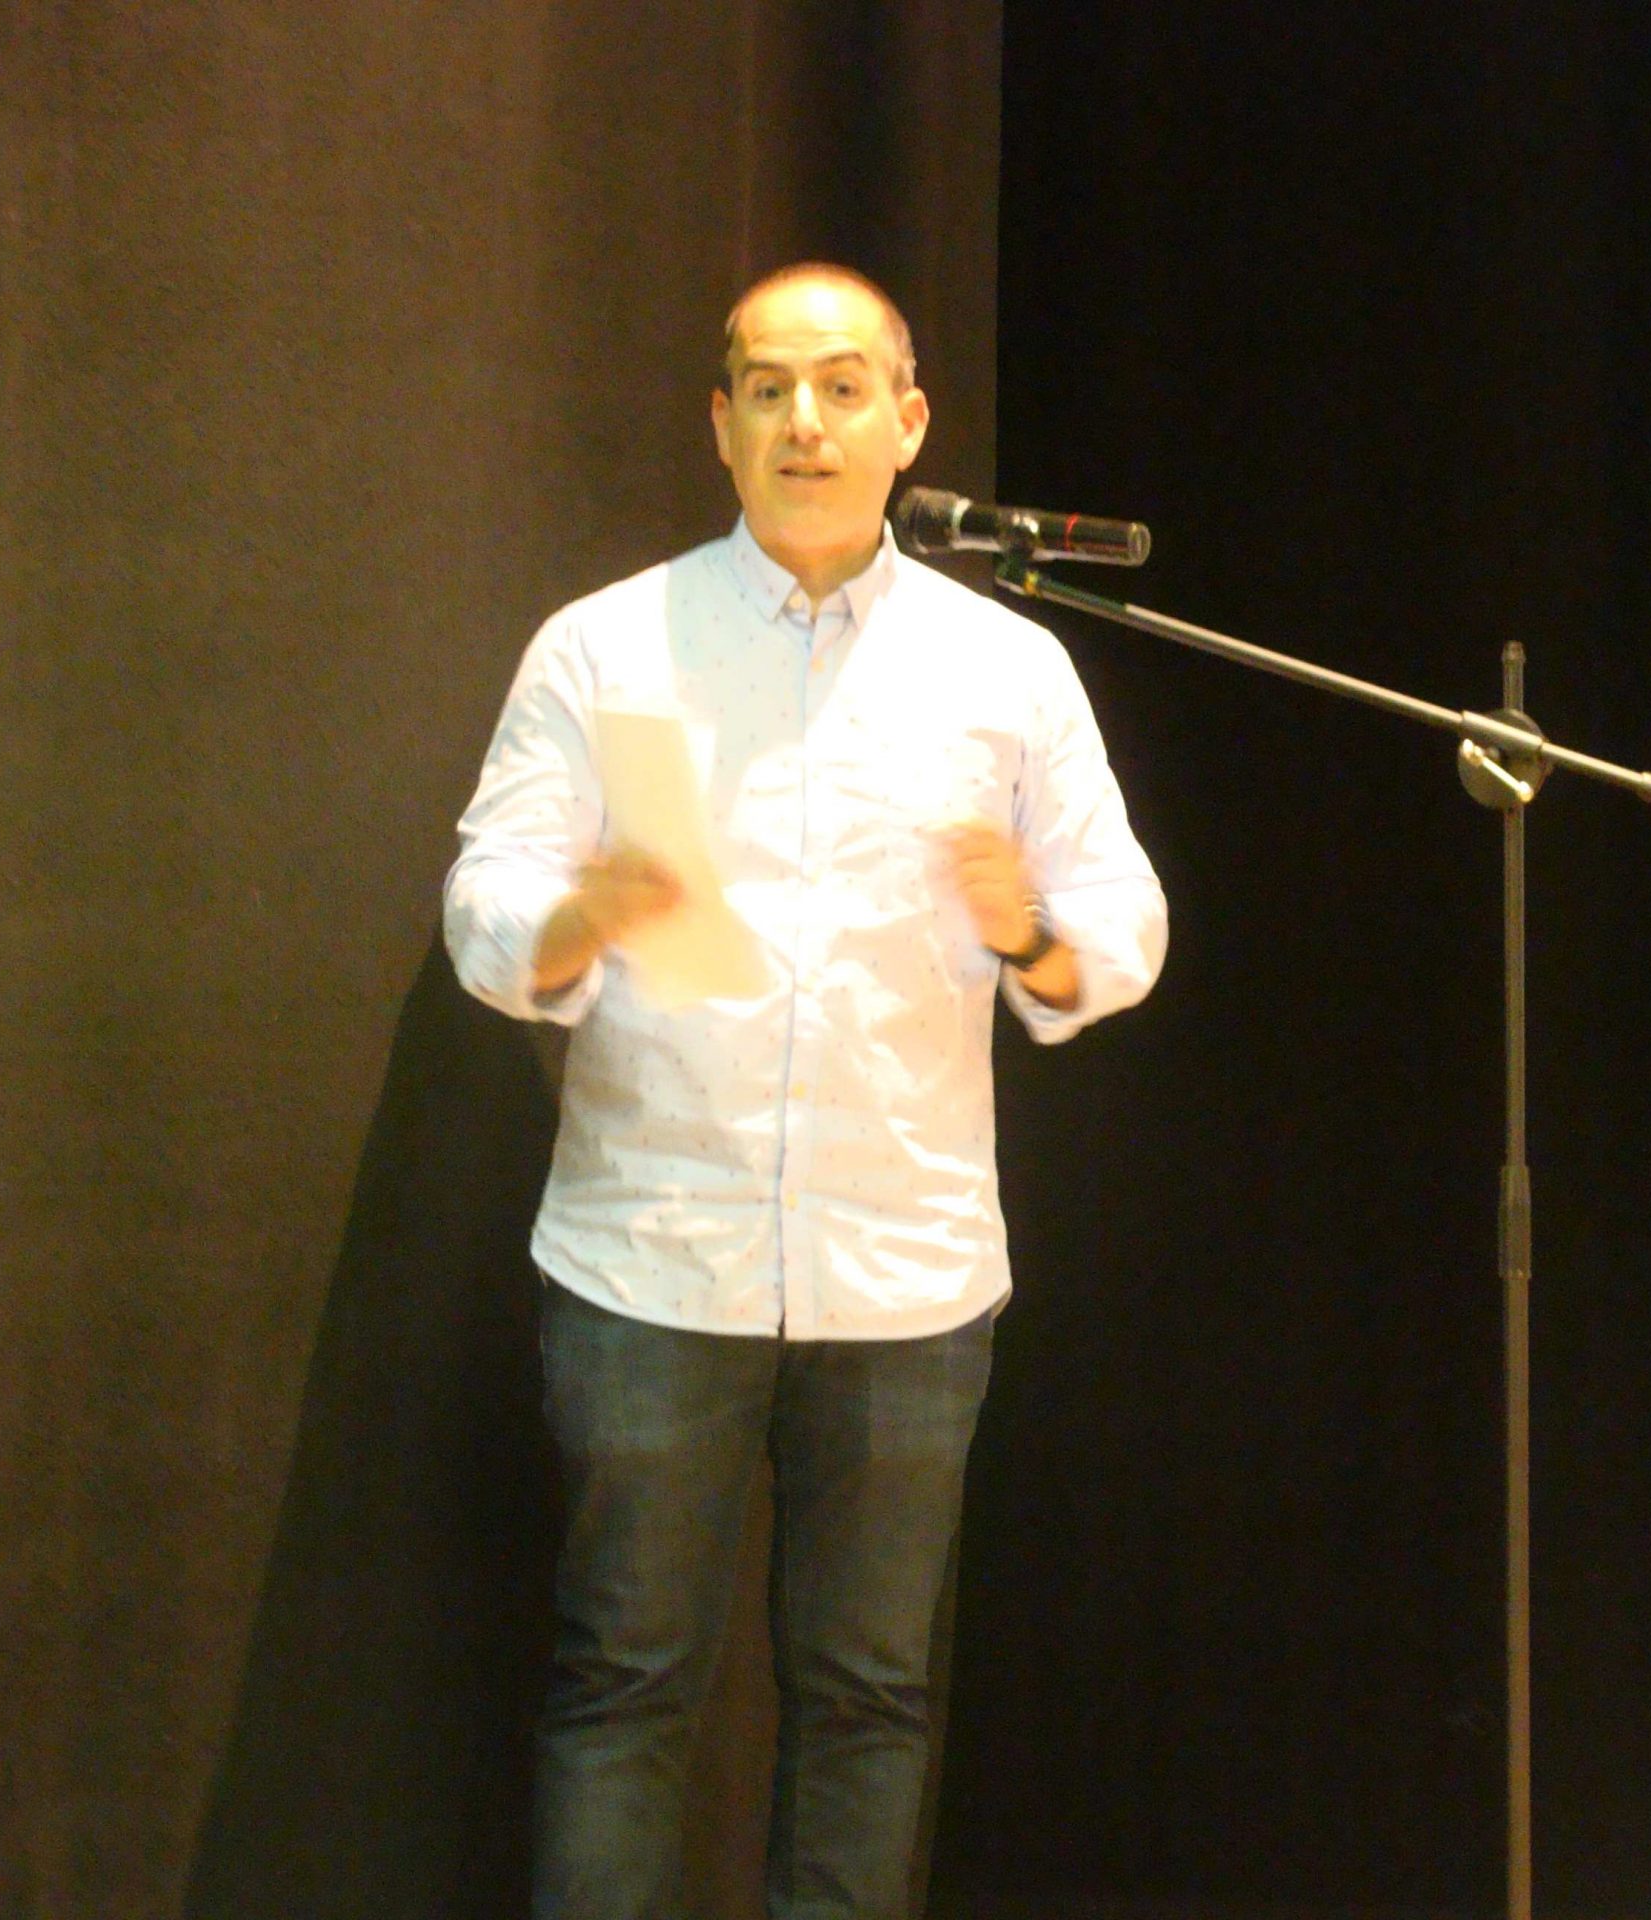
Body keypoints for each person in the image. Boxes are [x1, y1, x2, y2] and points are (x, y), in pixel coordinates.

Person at [442, 261, 1168, 1920]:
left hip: (905, 1275)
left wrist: (1032, 935)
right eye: (767, 390)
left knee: (870, 1701)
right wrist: (568, 920)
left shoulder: (1004, 671)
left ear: (909, 423)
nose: (804, 421)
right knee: (622, 1689)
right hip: (650, 1259)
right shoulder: (609, 647)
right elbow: (487, 889)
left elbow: (1121, 924)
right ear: (720, 426)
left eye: (843, 387)